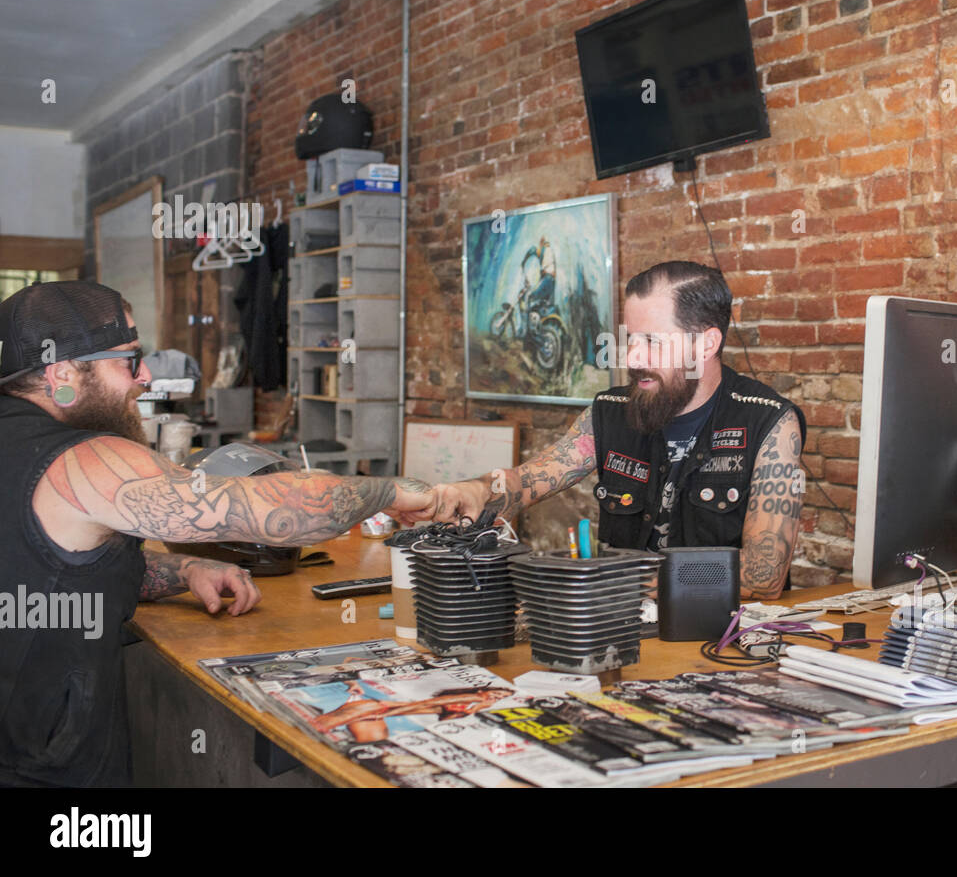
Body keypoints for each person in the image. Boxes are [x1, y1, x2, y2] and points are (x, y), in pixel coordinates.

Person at [0, 280, 437, 786]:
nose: (144, 377)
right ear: (64, 373)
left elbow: (51, 565)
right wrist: (396, 493)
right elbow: (278, 510)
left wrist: (186, 567)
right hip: (39, 764)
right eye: (129, 359)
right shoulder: (85, 459)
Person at [429, 261, 806, 599]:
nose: (632, 358)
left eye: (652, 342)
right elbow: (527, 481)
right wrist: (473, 492)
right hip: (622, 635)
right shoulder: (611, 412)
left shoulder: (768, 422)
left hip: (715, 643)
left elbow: (763, 576)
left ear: (706, 343)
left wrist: (615, 577)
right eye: (630, 340)